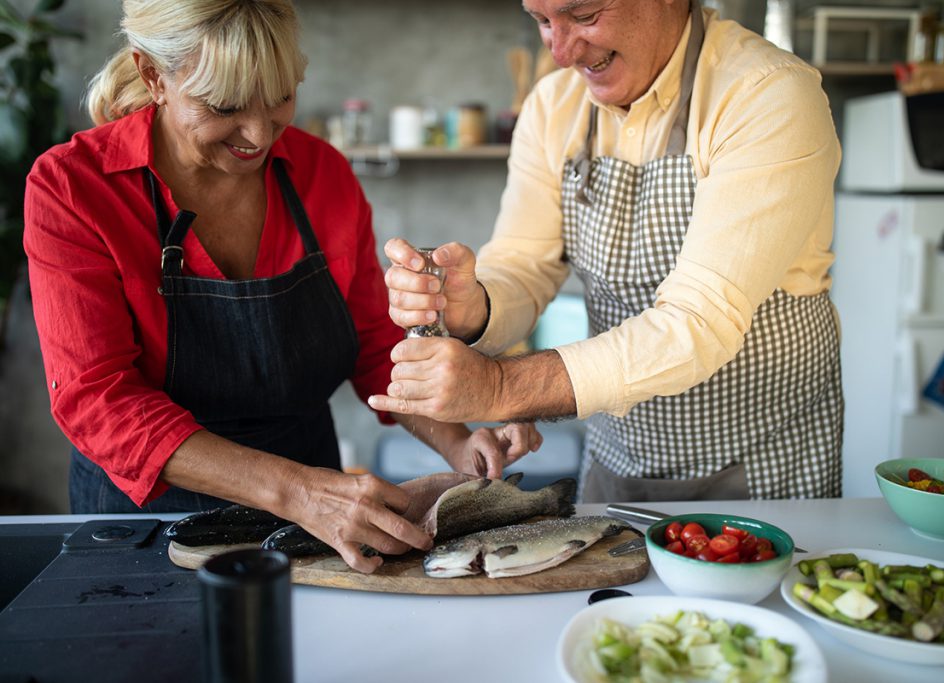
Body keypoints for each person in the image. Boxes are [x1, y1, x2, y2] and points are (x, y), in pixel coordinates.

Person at [23, 0, 540, 573]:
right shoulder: (73, 187)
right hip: (146, 525)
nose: (258, 135)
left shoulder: (323, 174)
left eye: (279, 100)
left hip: (313, 529)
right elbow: (97, 399)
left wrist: (457, 442)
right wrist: (298, 492)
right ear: (153, 76)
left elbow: (371, 343)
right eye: (224, 106)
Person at [371, 0, 843, 503]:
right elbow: (524, 264)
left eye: (585, 15)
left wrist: (499, 388)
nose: (561, 52)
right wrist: (475, 306)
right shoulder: (553, 105)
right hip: (619, 456)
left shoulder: (766, 93)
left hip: (765, 465)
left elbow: (698, 323)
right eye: (543, 21)